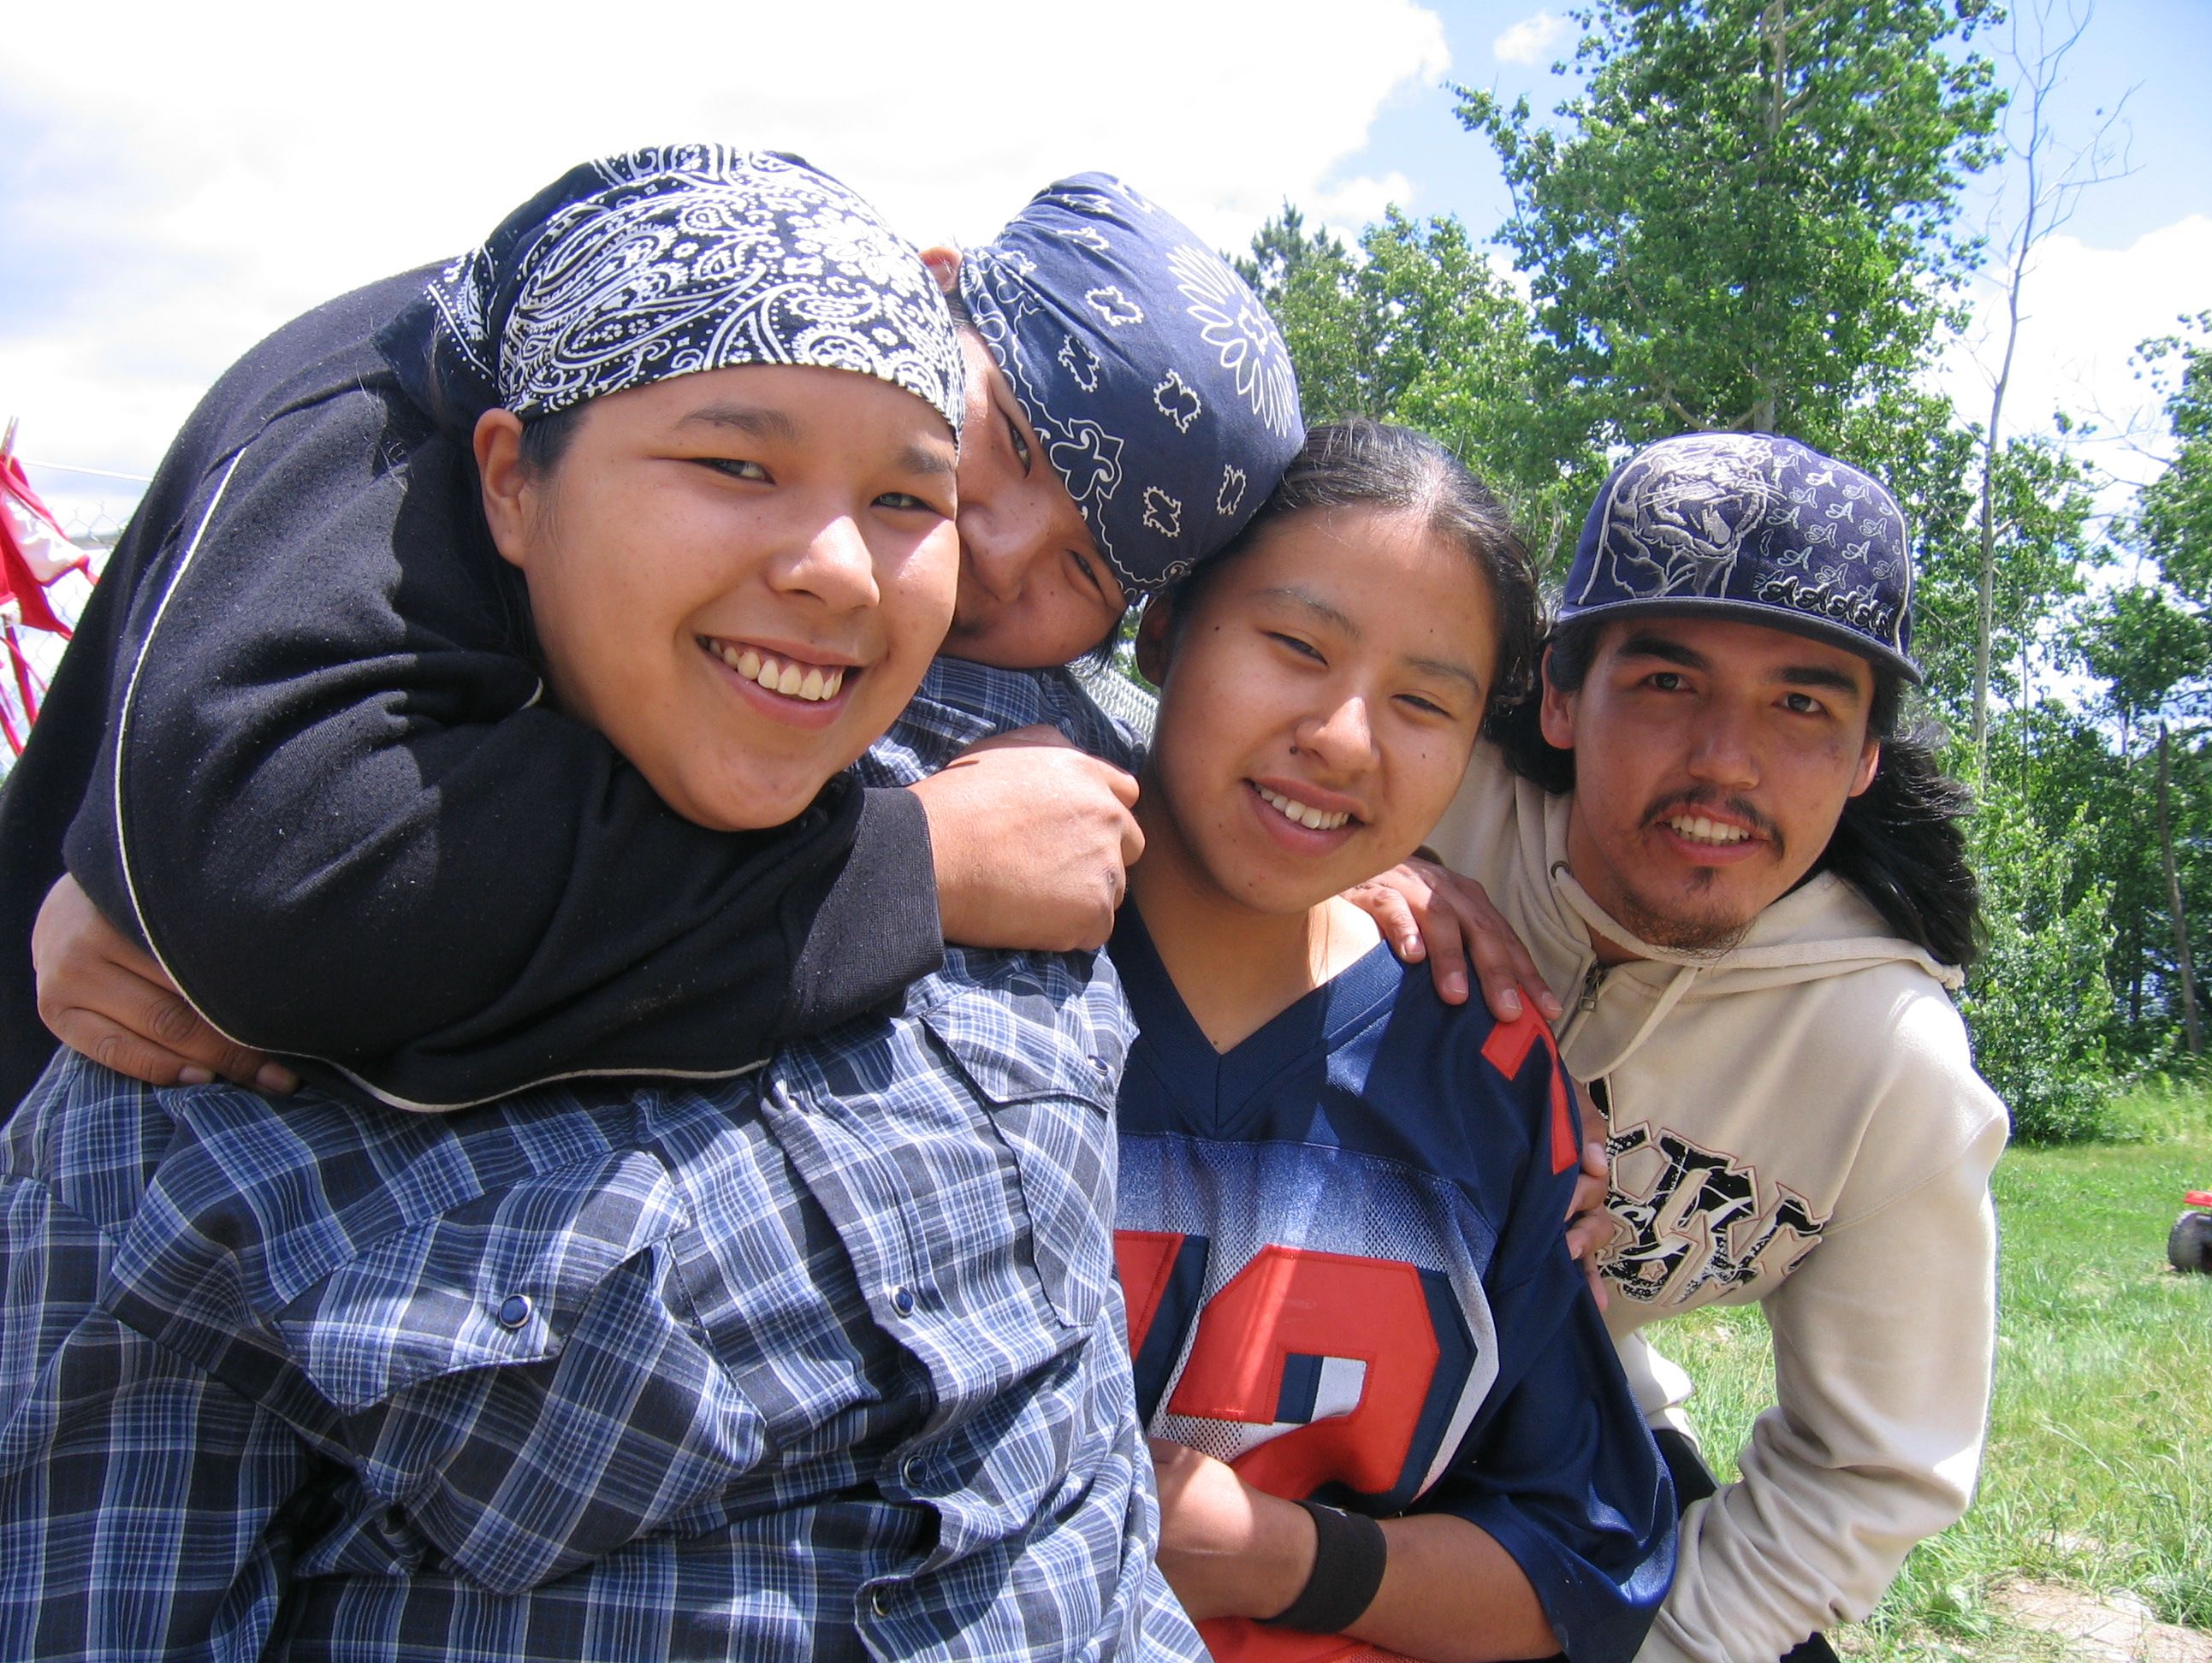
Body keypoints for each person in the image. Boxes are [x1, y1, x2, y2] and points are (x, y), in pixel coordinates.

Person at [0, 146, 1203, 1661]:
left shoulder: (1043, 846)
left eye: (914, 495)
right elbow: (266, 872)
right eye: (739, 465)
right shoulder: (187, 1082)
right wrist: (920, 868)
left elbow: (1089, 1502)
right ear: (508, 479)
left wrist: (1400, 879)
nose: (855, 567)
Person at [1, 169, 1304, 1114]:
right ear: (931, 285)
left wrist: (1325, 874)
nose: (996, 549)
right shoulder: (502, 370)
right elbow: (270, 866)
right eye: (1007, 441)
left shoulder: (934, 631)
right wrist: (920, 863)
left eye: (1084, 569)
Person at [1398, 432, 2007, 1663]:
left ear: (1865, 757)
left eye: (1802, 704)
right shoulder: (1424, 783)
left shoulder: (1888, 1061)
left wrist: (1654, 1650)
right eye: (1669, 681)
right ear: (1560, 696)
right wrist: (1340, 879)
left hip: (1570, 1455)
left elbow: (1864, 1468)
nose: (1725, 761)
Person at [1111, 422, 1675, 1663]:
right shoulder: (966, 975)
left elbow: (1578, 1562)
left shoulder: (1491, 1075)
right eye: (1296, 647)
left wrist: (1287, 1559)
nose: (1347, 738)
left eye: (1425, 702)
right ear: (1164, 626)